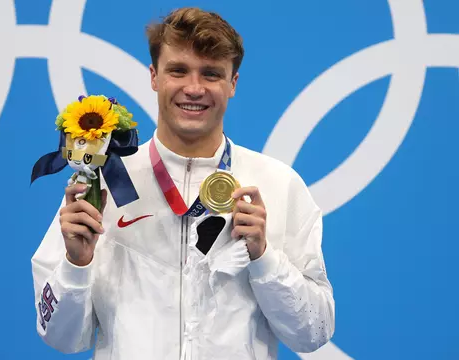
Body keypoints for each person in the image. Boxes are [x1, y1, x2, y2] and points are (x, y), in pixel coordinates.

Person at [31, 6, 335, 360]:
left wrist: (265, 257)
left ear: (233, 83)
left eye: (211, 74)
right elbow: (60, 337)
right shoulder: (104, 184)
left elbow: (314, 333)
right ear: (154, 76)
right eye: (178, 71)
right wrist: (76, 264)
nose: (194, 88)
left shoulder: (278, 184)